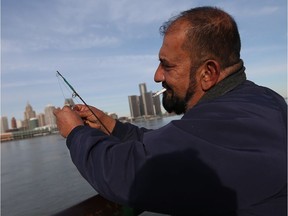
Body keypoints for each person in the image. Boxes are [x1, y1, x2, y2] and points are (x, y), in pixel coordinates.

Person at [54, 6, 287, 216]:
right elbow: (172, 145)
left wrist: (76, 132)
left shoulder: (225, 124)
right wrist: (112, 126)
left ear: (208, 73)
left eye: (167, 65)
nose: (157, 76)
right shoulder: (258, 101)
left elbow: (124, 174)